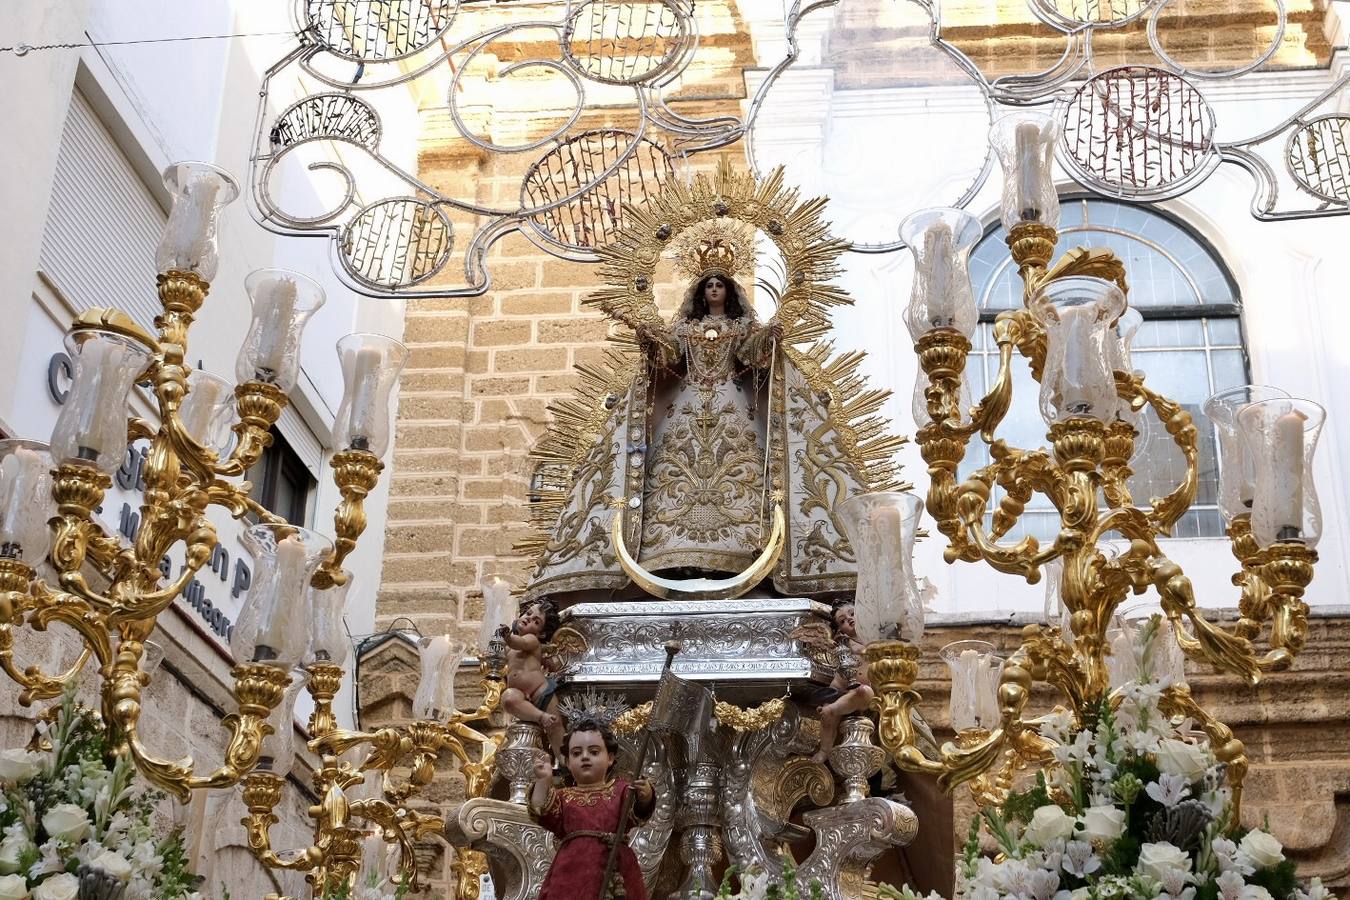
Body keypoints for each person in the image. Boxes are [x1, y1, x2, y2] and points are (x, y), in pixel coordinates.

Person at [634, 268, 780, 575]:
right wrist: (650, 340)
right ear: (701, 293)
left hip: (731, 403)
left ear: (729, 291)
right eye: (709, 285)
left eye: (719, 285)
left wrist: (768, 338)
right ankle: (671, 550)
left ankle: (742, 549)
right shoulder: (687, 327)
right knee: (673, 467)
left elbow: (752, 356)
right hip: (688, 403)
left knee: (741, 465)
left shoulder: (740, 326)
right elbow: (669, 354)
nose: (714, 289)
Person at [529, 717, 656, 900]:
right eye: (576, 753)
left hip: (614, 869)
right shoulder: (563, 797)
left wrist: (646, 795)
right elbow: (540, 811)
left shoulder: (621, 790)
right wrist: (543, 781)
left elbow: (638, 811)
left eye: (594, 752)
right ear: (567, 761)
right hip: (570, 873)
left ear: (610, 758)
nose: (585, 757)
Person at [499, 599, 565, 757]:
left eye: (536, 621)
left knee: (555, 726)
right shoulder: (509, 648)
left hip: (540, 691)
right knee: (508, 699)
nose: (528, 618)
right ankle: (540, 717)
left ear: (541, 633)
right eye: (528, 613)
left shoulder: (531, 640)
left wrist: (508, 636)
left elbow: (518, 642)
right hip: (519, 694)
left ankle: (564, 760)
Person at [812, 601, 875, 764]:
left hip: (869, 691)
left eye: (852, 614)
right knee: (827, 713)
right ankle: (824, 749)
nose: (849, 619)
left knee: (864, 692)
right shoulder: (843, 645)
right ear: (840, 630)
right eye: (843, 621)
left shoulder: (875, 637)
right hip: (843, 688)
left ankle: (833, 709)